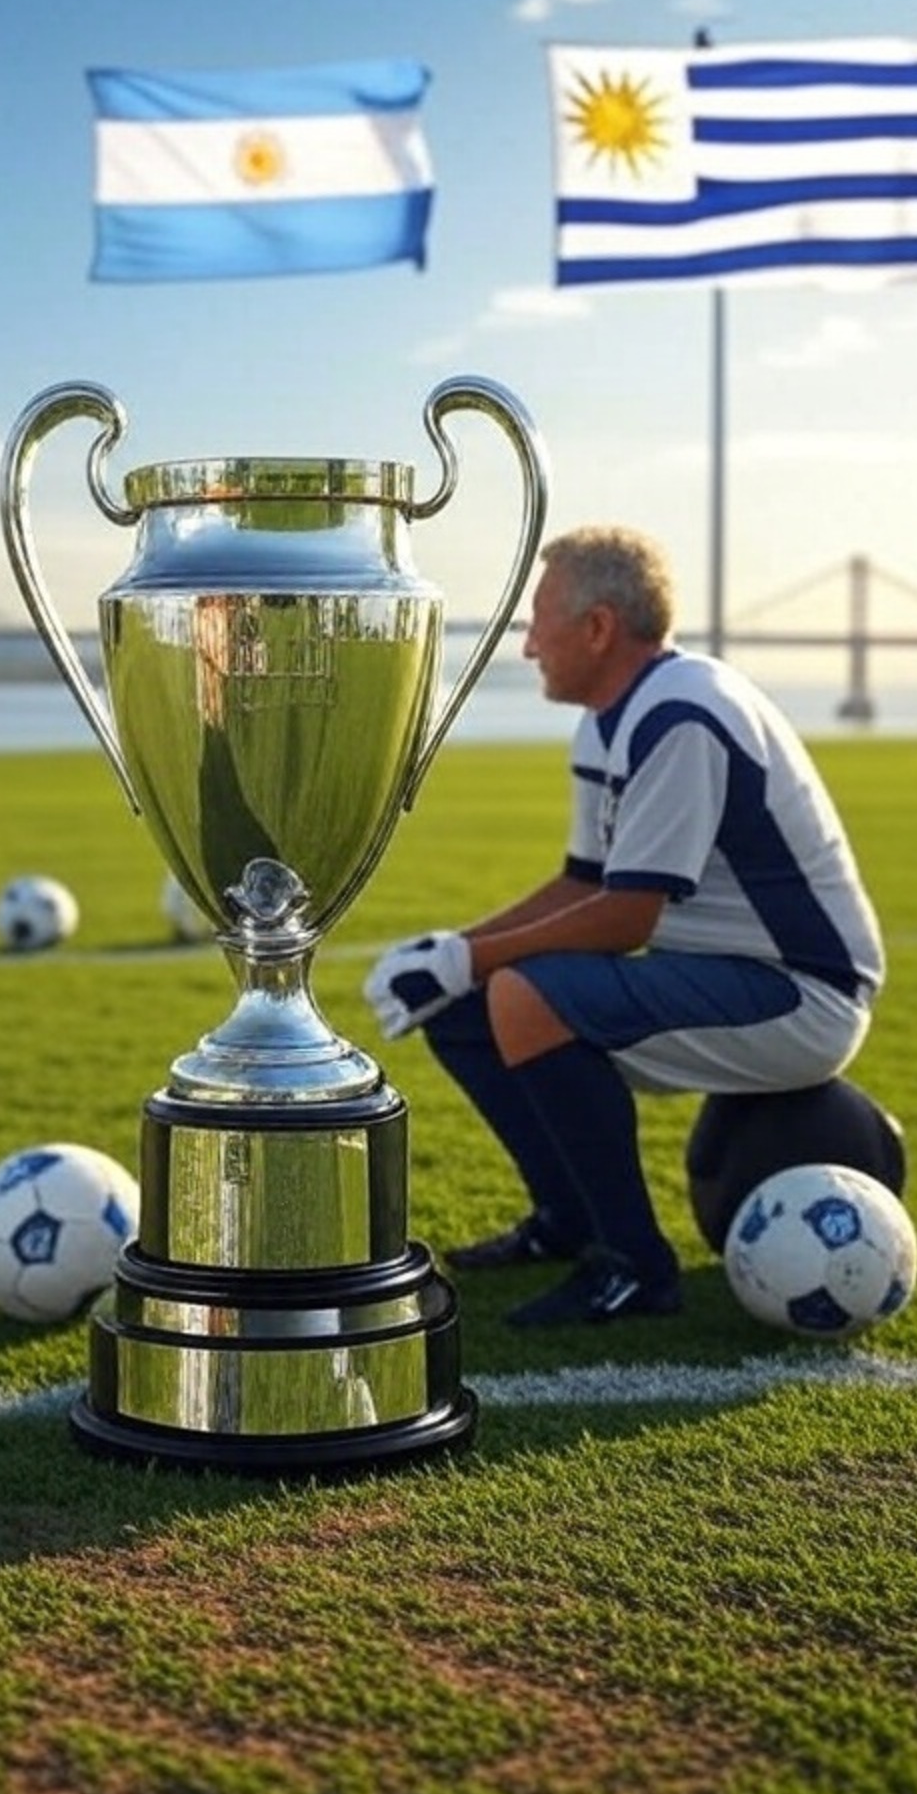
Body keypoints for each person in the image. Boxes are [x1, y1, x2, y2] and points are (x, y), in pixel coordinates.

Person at [362, 525, 885, 1328]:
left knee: (524, 995)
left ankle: (636, 1265)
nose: (528, 645)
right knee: (465, 1008)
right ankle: (569, 1219)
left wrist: (472, 957)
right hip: (730, 975)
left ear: (599, 627)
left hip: (804, 996)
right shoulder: (615, 716)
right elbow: (585, 882)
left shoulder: (680, 716)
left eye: (539, 622)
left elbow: (627, 918)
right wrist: (456, 954)